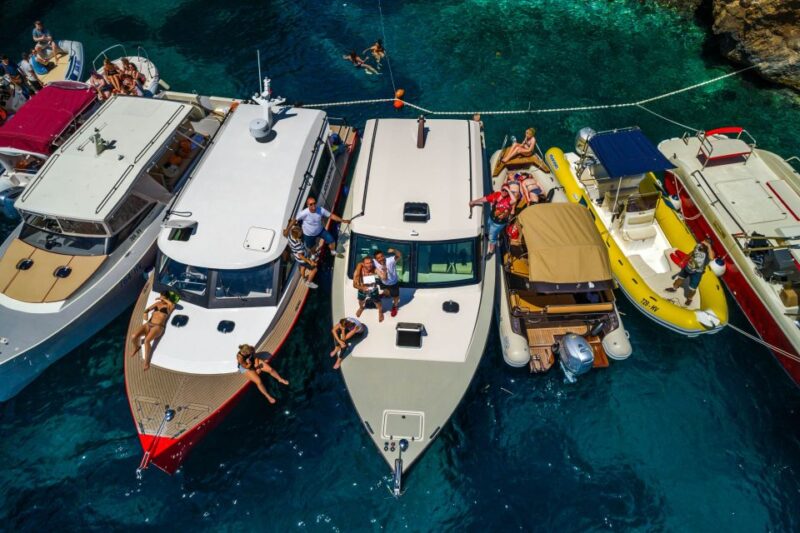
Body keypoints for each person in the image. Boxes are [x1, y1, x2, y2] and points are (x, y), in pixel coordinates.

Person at [130, 291, 176, 371]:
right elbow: (147, 310)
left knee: (147, 341)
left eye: (163, 298)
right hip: (149, 324)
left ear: (167, 298)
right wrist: (145, 313)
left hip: (158, 327)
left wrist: (164, 300)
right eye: (160, 297)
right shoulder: (157, 304)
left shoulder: (169, 306)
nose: (161, 300)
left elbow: (172, 304)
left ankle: (146, 362)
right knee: (134, 336)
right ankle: (136, 347)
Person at [284, 196, 349, 253]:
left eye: (314, 203)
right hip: (308, 235)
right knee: (311, 247)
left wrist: (343, 220)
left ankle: (332, 251)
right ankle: (313, 254)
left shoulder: (321, 210)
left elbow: (331, 216)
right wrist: (287, 230)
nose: (313, 205)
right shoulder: (303, 213)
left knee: (332, 240)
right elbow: (294, 220)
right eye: (311, 204)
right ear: (308, 205)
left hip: (320, 231)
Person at [665, 238, 714, 306]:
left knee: (692, 288)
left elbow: (712, 258)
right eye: (705, 241)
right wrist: (683, 260)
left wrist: (708, 246)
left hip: (697, 272)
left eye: (707, 242)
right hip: (688, 267)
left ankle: (689, 299)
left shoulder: (709, 252)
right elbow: (692, 253)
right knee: (680, 279)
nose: (704, 243)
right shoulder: (698, 246)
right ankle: (674, 288)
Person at [469, 185, 515, 255]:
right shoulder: (497, 194)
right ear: (501, 189)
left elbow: (514, 200)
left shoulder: (508, 200)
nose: (504, 192)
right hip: (491, 218)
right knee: (489, 227)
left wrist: (508, 190)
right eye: (503, 190)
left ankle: (491, 251)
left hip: (498, 224)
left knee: (492, 238)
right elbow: (486, 199)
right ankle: (494, 235)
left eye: (506, 191)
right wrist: (474, 202)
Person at [354, 256, 384, 321]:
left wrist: (383, 274)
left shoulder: (374, 269)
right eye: (367, 263)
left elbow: (382, 276)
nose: (369, 265)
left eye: (370, 263)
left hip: (373, 289)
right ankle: (361, 308)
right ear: (363, 264)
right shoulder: (358, 271)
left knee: (378, 302)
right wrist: (362, 287)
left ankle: (380, 312)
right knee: (360, 301)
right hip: (362, 290)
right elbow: (354, 285)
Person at [374, 248, 402, 317]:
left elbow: (399, 255)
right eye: (378, 258)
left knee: (396, 296)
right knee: (385, 290)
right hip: (383, 281)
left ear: (383, 256)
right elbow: (363, 262)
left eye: (381, 256)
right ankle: (385, 294)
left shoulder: (390, 260)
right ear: (376, 259)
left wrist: (394, 250)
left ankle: (395, 306)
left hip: (393, 283)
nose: (381, 259)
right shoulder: (374, 262)